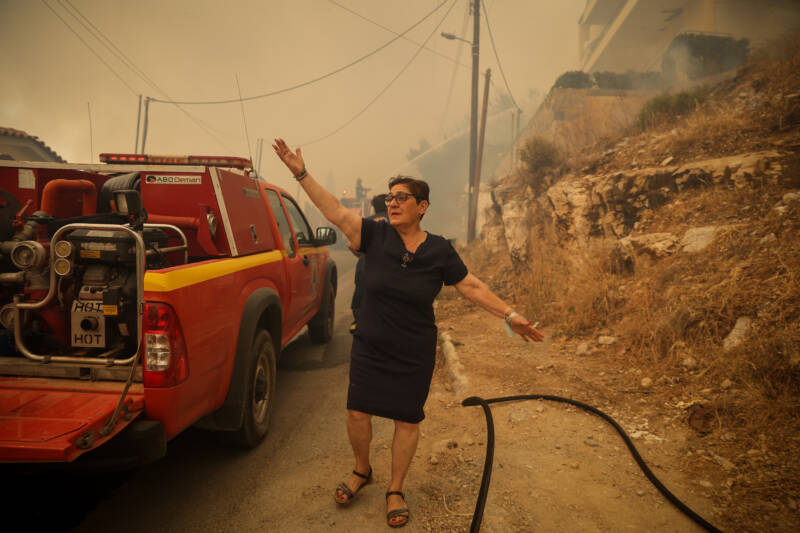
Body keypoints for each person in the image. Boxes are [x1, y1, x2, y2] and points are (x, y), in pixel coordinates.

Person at [272, 138, 543, 529]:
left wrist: (510, 314)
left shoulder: (439, 251)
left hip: (413, 350)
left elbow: (471, 286)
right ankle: (362, 470)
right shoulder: (374, 235)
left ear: (422, 207)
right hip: (371, 345)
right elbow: (332, 209)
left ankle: (395, 488)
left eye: (401, 197)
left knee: (406, 421)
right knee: (356, 412)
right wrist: (300, 172)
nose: (392, 203)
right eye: (389, 197)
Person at [350, 194, 388, 333]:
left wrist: (362, 254)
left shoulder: (365, 222)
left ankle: (358, 323)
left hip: (366, 266)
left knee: (361, 296)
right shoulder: (398, 221)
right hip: (391, 268)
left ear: (373, 206)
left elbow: (351, 245)